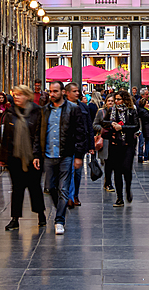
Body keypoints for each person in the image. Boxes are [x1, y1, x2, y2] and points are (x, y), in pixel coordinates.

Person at [34, 79, 86, 235]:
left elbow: (80, 133)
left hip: (66, 154)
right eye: (50, 91)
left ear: (63, 92)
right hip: (49, 155)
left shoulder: (73, 109)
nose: (52, 94)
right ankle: (61, 209)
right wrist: (36, 154)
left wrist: (78, 156)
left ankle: (59, 220)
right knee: (50, 187)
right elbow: (38, 134)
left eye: (55, 91)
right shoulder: (44, 111)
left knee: (63, 188)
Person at [0, 84, 45, 230]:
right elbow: (6, 137)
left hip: (33, 158)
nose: (16, 97)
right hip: (15, 157)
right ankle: (14, 218)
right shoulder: (11, 112)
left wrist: (37, 155)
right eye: (15, 94)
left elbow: (39, 135)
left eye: (20, 94)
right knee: (17, 188)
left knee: (34, 187)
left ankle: (41, 215)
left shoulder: (37, 112)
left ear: (27, 96)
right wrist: (3, 157)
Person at [101, 89, 139, 206]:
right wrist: (111, 124)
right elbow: (103, 121)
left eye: (118, 99)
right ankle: (119, 198)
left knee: (127, 169)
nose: (116, 101)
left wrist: (122, 128)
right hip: (115, 144)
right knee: (117, 171)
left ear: (124, 100)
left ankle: (128, 188)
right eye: (115, 99)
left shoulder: (131, 111)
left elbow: (136, 126)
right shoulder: (111, 110)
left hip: (128, 144)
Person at [64, 82, 95, 207]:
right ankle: (68, 197)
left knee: (77, 172)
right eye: (75, 91)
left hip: (79, 144)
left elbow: (89, 127)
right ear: (67, 93)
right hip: (65, 144)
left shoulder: (83, 107)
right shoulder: (62, 107)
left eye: (78, 91)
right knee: (66, 171)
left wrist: (91, 146)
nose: (78, 93)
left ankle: (75, 195)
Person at [95, 94, 115, 190]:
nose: (110, 102)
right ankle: (108, 182)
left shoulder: (118, 112)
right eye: (109, 101)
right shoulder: (101, 112)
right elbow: (95, 125)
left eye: (112, 101)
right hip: (106, 140)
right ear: (105, 102)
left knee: (114, 162)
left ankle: (109, 181)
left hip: (115, 140)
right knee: (108, 163)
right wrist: (103, 129)